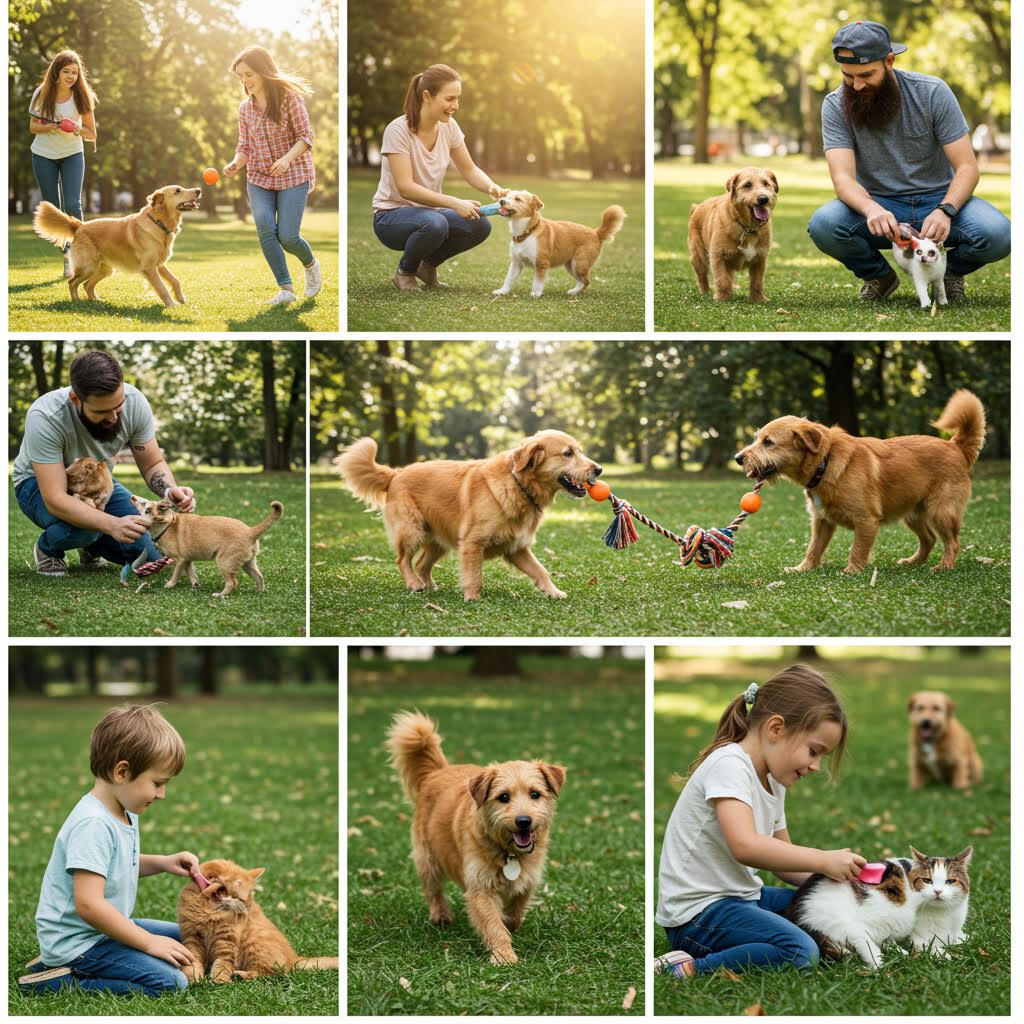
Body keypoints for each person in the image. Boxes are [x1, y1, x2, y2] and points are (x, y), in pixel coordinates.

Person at [653, 665, 865, 978]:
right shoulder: (730, 765)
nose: (816, 766)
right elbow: (746, 846)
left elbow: (783, 860)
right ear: (776, 729)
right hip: (697, 917)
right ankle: (686, 968)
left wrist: (840, 886)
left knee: (823, 911)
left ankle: (756, 943)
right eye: (813, 751)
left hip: (742, 899)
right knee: (799, 951)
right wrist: (823, 859)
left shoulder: (773, 779)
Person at [807, 21, 1011, 303]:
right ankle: (879, 276)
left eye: (866, 74)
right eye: (848, 76)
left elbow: (967, 167)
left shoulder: (932, 92)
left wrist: (946, 210)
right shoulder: (834, 104)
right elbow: (842, 178)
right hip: (879, 206)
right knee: (824, 225)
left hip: (937, 200)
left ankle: (946, 273)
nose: (857, 84)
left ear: (889, 60)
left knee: (999, 234)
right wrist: (870, 209)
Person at [18, 704, 199, 995]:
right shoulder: (93, 823)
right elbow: (89, 905)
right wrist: (147, 941)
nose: (162, 794)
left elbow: (117, 865)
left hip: (101, 931)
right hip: (81, 942)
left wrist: (164, 862)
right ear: (122, 772)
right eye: (157, 783)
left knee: (188, 937)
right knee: (170, 982)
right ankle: (58, 979)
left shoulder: (124, 810)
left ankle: (61, 962)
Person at [13, 349, 196, 579]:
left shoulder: (135, 402)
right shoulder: (46, 415)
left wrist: (170, 490)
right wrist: (110, 525)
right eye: (102, 411)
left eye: (118, 406)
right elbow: (56, 499)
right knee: (88, 527)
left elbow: (152, 464)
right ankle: (48, 548)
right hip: (37, 485)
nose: (114, 418)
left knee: (149, 556)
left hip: (100, 484)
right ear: (75, 400)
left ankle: (91, 544)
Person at [372, 63, 507, 292]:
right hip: (390, 217)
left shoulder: (449, 127)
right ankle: (405, 272)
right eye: (449, 99)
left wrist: (493, 188)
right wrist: (455, 203)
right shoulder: (397, 130)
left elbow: (469, 169)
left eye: (457, 99)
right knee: (436, 223)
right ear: (427, 96)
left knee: (479, 224)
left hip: (429, 215)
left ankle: (427, 266)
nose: (455, 106)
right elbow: (406, 188)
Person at [223, 45, 322, 306]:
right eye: (240, 76)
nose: (244, 81)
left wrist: (287, 159)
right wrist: (235, 163)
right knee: (265, 228)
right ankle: (286, 289)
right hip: (258, 177)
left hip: (293, 173)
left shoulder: (290, 99)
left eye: (248, 74)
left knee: (288, 236)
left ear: (264, 72)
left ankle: (310, 264)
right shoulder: (245, 109)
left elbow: (305, 137)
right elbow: (244, 146)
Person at [29, 50, 98, 278]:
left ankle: (85, 254)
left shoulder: (82, 96)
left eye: (75, 73)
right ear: (56, 73)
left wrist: (75, 128)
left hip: (72, 154)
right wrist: (53, 126)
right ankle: (67, 255)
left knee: (73, 204)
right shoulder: (42, 93)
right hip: (43, 155)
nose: (71, 76)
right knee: (54, 210)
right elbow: (33, 127)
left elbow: (91, 134)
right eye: (66, 72)